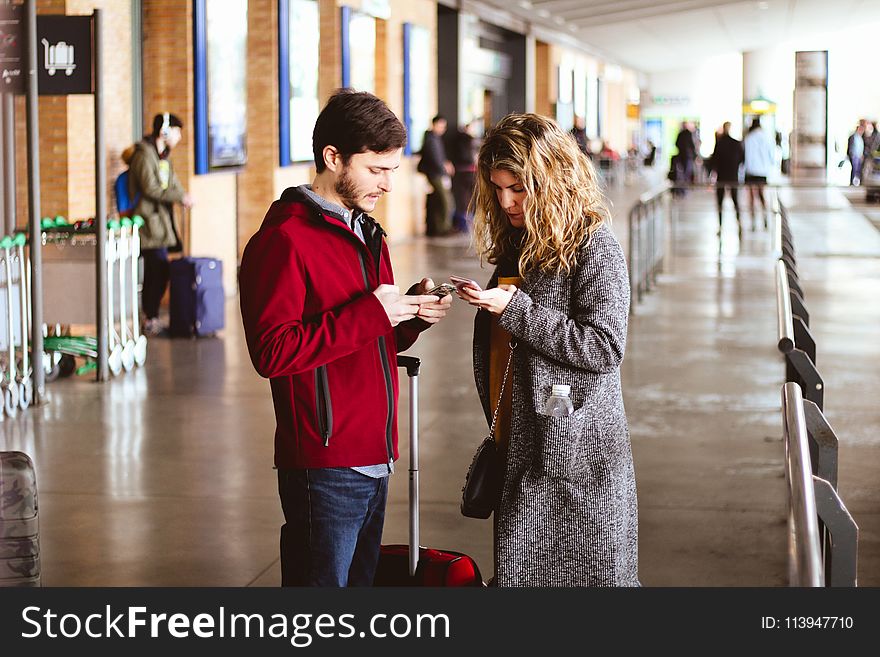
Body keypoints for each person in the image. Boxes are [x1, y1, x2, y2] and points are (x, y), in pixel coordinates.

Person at [238, 89, 453, 587]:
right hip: (324, 461)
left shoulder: (367, 232)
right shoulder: (282, 241)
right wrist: (373, 310)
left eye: (392, 171)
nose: (387, 184)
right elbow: (273, 352)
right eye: (376, 170)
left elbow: (370, 338)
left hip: (375, 453)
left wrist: (411, 315)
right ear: (333, 158)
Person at [458, 113, 637, 587]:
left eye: (517, 188)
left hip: (578, 456)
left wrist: (514, 308)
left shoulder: (594, 246)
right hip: (524, 444)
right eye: (497, 189)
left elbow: (604, 346)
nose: (506, 201)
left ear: (551, 179)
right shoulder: (521, 241)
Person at [128, 112, 194, 336]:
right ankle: (149, 318)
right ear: (164, 132)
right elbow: (150, 188)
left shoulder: (163, 157)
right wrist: (178, 196)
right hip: (148, 222)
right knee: (156, 269)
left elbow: (171, 183)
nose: (179, 138)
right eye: (176, 132)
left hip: (161, 223)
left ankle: (151, 316)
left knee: (159, 270)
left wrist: (182, 195)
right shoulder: (144, 156)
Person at [417, 115, 454, 236]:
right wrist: (444, 169)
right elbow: (435, 159)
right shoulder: (431, 139)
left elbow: (440, 157)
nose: (443, 129)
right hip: (435, 174)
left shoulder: (435, 138)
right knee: (446, 201)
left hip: (437, 173)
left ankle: (440, 227)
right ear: (434, 124)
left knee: (440, 201)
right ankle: (443, 228)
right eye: (441, 125)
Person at [710, 121, 744, 235]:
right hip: (733, 177)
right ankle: (739, 223)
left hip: (722, 177)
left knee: (720, 202)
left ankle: (720, 225)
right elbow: (741, 159)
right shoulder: (736, 143)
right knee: (735, 201)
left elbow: (714, 161)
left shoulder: (720, 143)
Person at [743, 117, 774, 229]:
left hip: (750, 171)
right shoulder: (766, 137)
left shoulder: (748, 138)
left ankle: (753, 221)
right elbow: (771, 155)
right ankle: (765, 217)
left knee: (751, 197)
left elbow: (745, 156)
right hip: (762, 171)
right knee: (762, 195)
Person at [450, 120, 480, 233]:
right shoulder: (470, 140)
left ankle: (465, 224)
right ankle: (468, 223)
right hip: (470, 172)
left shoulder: (457, 141)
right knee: (470, 199)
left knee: (463, 199)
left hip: (462, 172)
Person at [847, 120, 866, 186]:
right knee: (854, 168)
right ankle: (852, 181)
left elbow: (860, 148)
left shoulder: (860, 138)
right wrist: (851, 154)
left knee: (858, 169)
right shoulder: (853, 137)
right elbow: (851, 146)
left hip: (858, 156)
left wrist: (861, 155)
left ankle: (856, 181)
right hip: (854, 155)